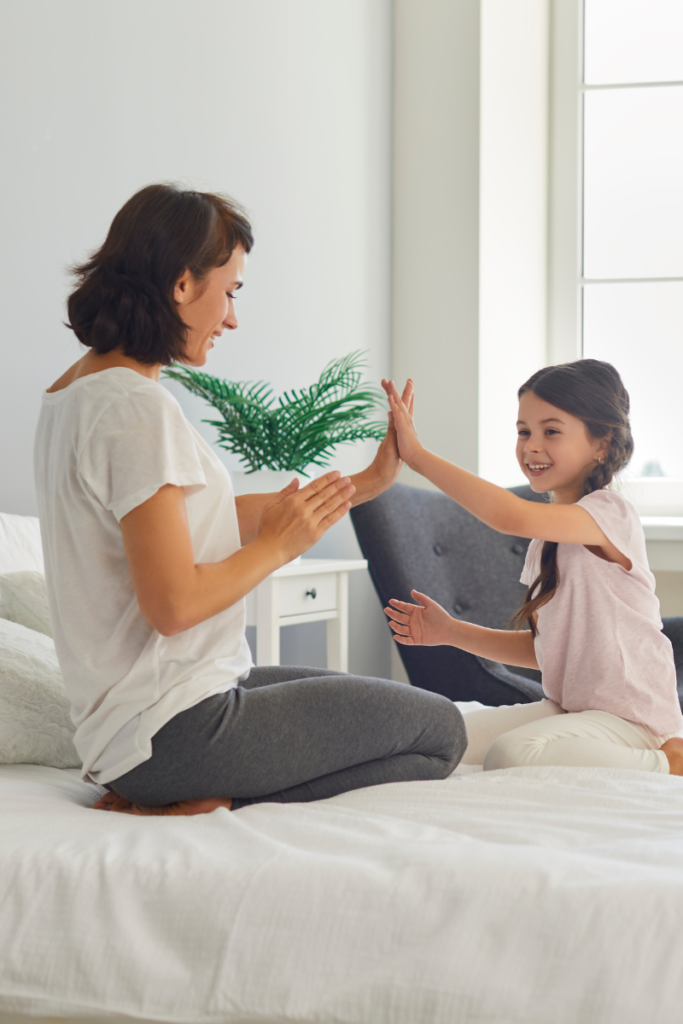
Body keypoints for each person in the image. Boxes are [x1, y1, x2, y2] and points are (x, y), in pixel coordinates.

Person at [35, 183, 465, 816]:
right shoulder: (135, 408)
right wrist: (275, 548)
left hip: (139, 732)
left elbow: (195, 524)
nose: (232, 317)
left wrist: (369, 484)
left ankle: (168, 792)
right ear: (182, 284)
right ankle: (209, 796)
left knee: (377, 703)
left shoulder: (76, 394)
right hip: (174, 731)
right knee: (441, 733)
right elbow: (174, 604)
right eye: (230, 291)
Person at [382, 360, 683, 775]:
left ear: (602, 443)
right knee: (443, 738)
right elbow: (549, 650)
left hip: (631, 719)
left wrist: (417, 457)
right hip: (570, 711)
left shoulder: (610, 514)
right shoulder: (547, 540)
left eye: (551, 431)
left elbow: (509, 516)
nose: (531, 446)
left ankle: (667, 763)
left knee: (510, 755)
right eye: (524, 431)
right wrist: (449, 631)